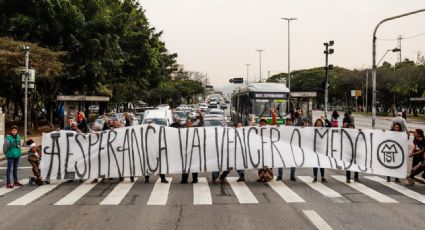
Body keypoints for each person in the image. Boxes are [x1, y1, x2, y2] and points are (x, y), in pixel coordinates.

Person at [257, 108, 276, 183]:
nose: (262, 123)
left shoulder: (268, 128)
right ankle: (261, 177)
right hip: (260, 148)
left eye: (264, 122)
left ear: (266, 123)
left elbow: (274, 122)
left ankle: (268, 176)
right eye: (261, 122)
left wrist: (273, 113)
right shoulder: (257, 129)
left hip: (267, 148)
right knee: (261, 163)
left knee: (268, 163)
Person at [181, 119, 198, 184]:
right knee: (185, 166)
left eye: (189, 123)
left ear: (191, 124)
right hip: (185, 151)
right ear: (185, 124)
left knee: (194, 166)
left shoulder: (194, 130)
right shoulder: (183, 130)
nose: (188, 124)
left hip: (193, 151)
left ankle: (195, 179)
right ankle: (184, 180)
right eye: (187, 123)